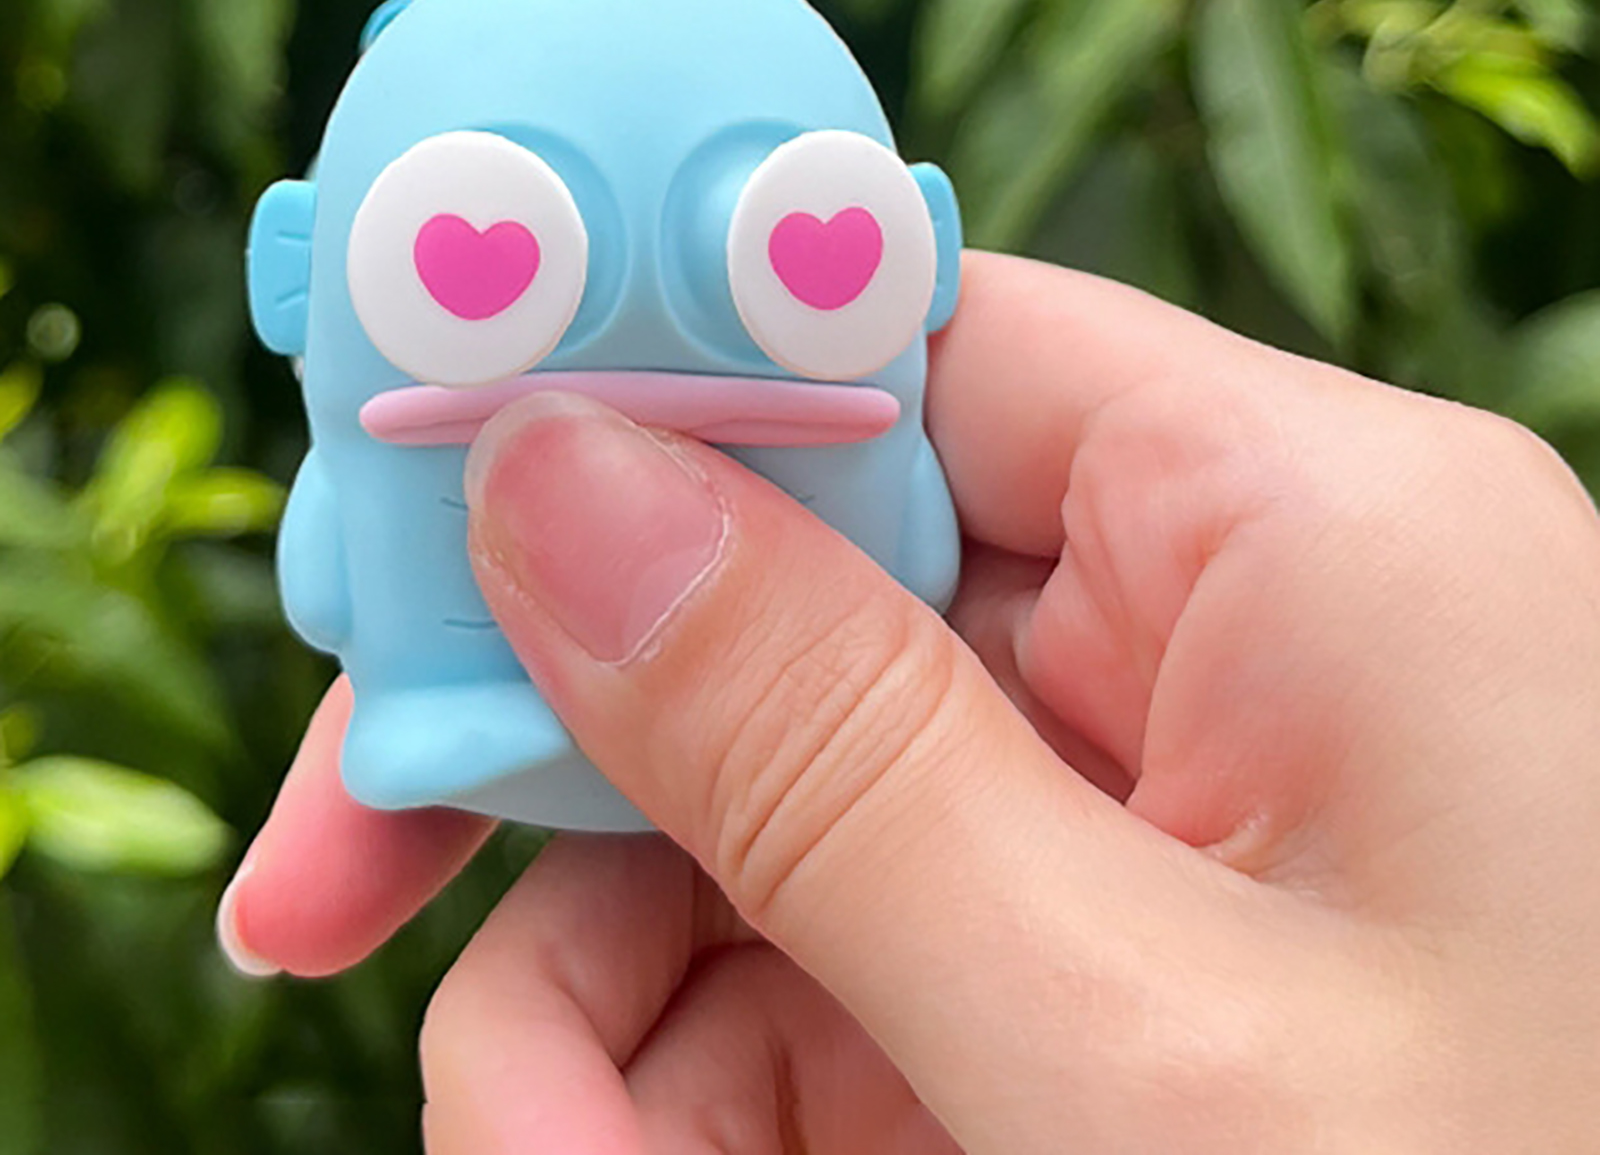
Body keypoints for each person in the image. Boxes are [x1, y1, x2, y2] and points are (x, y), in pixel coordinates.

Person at [216, 252, 1600, 1153]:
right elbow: (331, 573)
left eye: (806, 247)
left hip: (452, 710)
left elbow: (915, 553)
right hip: (448, 712)